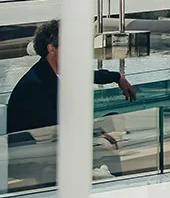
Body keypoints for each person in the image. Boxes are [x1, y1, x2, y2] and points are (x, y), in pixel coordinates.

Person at [6, 19, 137, 140]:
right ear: (52, 49)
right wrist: (98, 136)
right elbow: (58, 130)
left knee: (114, 120)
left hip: (59, 143)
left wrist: (118, 78)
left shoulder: (58, 71)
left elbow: (90, 75)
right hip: (35, 155)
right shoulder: (35, 87)